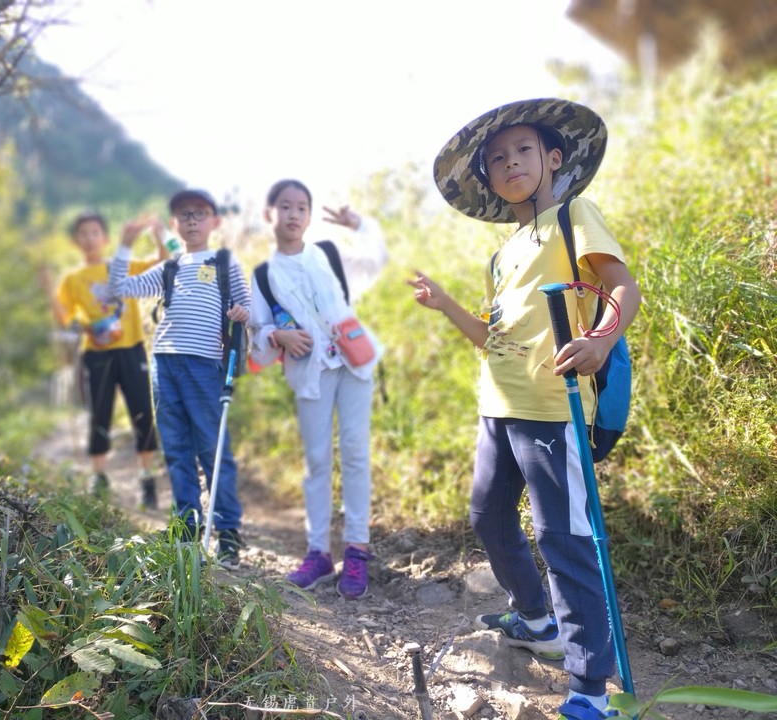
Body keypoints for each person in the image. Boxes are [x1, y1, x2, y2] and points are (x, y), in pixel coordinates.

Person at [409, 98, 641, 719]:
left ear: (552, 159)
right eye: (498, 158)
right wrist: (446, 303)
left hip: (553, 407)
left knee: (562, 535)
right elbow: (494, 337)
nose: (511, 163)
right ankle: (536, 619)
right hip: (499, 406)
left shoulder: (574, 216)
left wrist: (599, 340)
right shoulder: (501, 254)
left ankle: (591, 685)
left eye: (524, 152)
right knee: (487, 514)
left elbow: (623, 288)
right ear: (488, 176)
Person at [248, 179, 388, 600]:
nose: (293, 215)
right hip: (310, 373)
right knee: (316, 460)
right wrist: (278, 336)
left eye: (302, 207)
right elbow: (257, 331)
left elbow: (375, 260)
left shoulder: (328, 253)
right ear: (269, 214)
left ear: (309, 216)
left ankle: (357, 550)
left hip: (353, 364)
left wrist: (359, 223)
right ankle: (318, 552)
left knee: (356, 451)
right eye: (285, 207)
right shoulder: (262, 275)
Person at [109, 188, 251, 570]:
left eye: (199, 213)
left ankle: (229, 535)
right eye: (184, 215)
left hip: (205, 365)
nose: (191, 220)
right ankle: (186, 530)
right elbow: (121, 287)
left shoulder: (224, 262)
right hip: (165, 362)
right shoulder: (169, 266)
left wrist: (241, 312)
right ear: (174, 223)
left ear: (214, 221)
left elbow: (247, 306)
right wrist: (124, 245)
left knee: (212, 448)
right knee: (175, 448)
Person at [46, 211, 168, 507]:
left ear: (106, 238)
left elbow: (162, 264)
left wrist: (156, 236)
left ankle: (147, 478)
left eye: (95, 233)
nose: (89, 238)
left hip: (132, 348)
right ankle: (99, 478)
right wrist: (49, 288)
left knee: (142, 412)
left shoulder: (121, 266)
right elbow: (64, 317)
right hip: (96, 353)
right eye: (83, 234)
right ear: (77, 241)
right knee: (99, 413)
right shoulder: (73, 279)